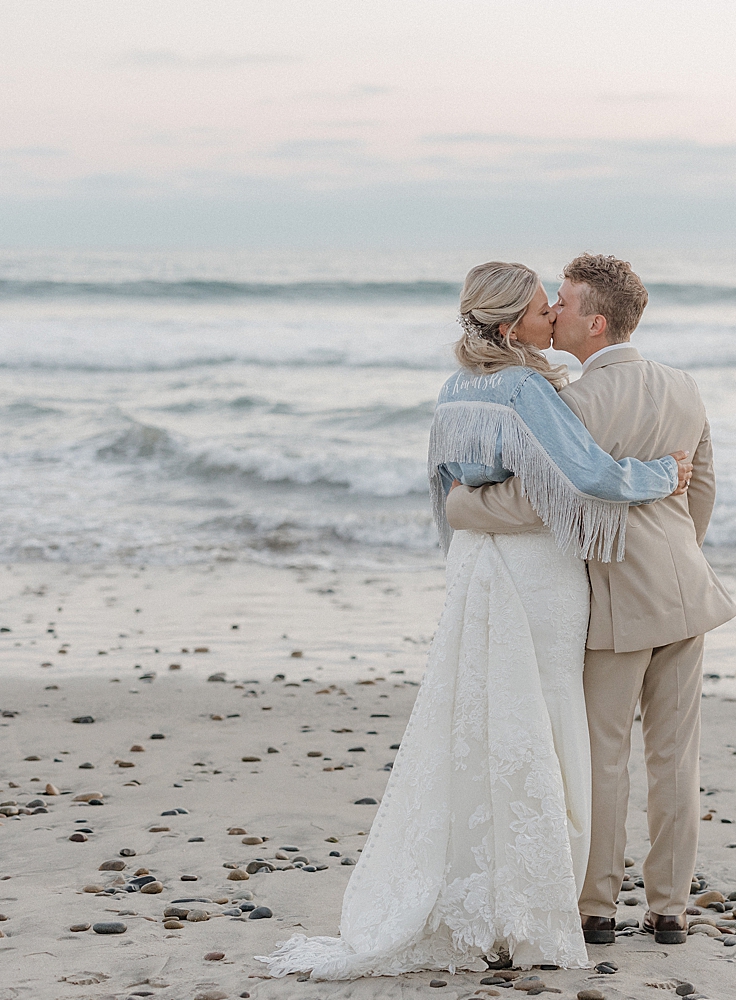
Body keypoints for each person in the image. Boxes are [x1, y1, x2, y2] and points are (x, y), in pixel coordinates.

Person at [254, 261, 691, 979]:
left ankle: (478, 890)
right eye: (541, 308)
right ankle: (530, 899)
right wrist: (660, 476)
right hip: (535, 572)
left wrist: (463, 538)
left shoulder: (455, 388)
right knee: (544, 720)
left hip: (475, 566)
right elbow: (588, 474)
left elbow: (445, 489)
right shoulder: (523, 386)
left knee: (480, 720)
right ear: (513, 323)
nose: (554, 313)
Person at [447, 253, 736, 946]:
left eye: (567, 302)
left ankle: (598, 907)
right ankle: (670, 908)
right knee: (677, 757)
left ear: (596, 321)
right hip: (688, 590)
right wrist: (679, 555)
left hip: (617, 599)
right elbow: (701, 492)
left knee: (604, 753)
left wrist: (464, 506)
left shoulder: (572, 402)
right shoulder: (682, 386)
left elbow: (537, 500)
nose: (556, 312)